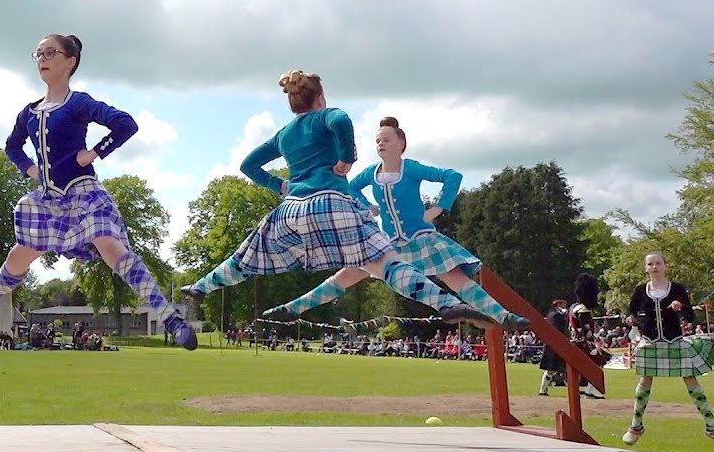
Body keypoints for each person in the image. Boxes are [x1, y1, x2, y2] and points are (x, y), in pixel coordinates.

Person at [181, 71, 496, 329]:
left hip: (291, 210)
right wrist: (347, 159)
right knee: (386, 264)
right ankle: (447, 304)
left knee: (247, 256)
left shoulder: (284, 134)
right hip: (332, 204)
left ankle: (201, 286)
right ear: (320, 98)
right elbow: (342, 121)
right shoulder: (325, 116)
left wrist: (280, 185)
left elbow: (248, 165)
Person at [0, 34, 197, 350]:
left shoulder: (78, 103)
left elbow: (125, 124)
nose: (42, 59)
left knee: (110, 246)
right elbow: (12, 146)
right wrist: (30, 169)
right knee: (20, 254)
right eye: (38, 53)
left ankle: (169, 317)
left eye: (50, 53)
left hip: (82, 192)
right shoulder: (29, 112)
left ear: (70, 61)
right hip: (48, 199)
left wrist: (93, 153)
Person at [263, 117, 528, 330]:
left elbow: (452, 175)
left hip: (422, 240)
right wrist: (368, 207)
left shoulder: (410, 168)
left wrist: (438, 207)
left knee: (457, 281)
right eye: (377, 140)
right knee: (345, 275)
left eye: (386, 139)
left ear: (401, 142)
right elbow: (350, 187)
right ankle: (292, 309)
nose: (380, 144)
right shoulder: (371, 173)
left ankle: (505, 316)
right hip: (387, 247)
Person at [622, 252, 714, 445]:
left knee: (690, 378)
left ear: (665, 265)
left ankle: (712, 427)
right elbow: (631, 312)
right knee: (645, 380)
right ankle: (636, 427)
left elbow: (690, 314)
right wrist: (630, 319)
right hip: (650, 341)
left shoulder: (677, 289)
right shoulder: (640, 290)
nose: (654, 267)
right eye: (650, 264)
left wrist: (681, 308)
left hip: (674, 340)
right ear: (646, 268)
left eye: (658, 263)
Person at [569, 272, 608, 399]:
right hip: (583, 344)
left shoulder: (573, 307)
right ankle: (590, 390)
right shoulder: (583, 310)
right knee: (598, 364)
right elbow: (587, 331)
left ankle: (586, 390)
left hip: (574, 342)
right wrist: (594, 346)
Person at [538, 298, 569, 396]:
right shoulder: (556, 315)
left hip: (553, 345)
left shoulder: (551, 314)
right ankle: (543, 390)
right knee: (552, 369)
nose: (565, 307)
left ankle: (543, 389)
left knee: (554, 369)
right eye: (563, 305)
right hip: (556, 345)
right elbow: (560, 330)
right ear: (558, 305)